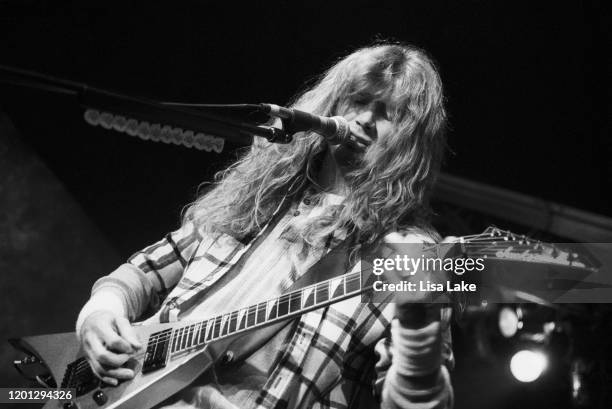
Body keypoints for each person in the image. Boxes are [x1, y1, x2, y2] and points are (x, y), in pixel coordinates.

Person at [76, 43, 454, 409]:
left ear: (411, 142)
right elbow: (146, 270)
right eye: (358, 99)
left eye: (388, 113)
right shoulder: (259, 196)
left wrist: (420, 342)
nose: (365, 120)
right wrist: (100, 313)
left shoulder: (409, 255)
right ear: (333, 103)